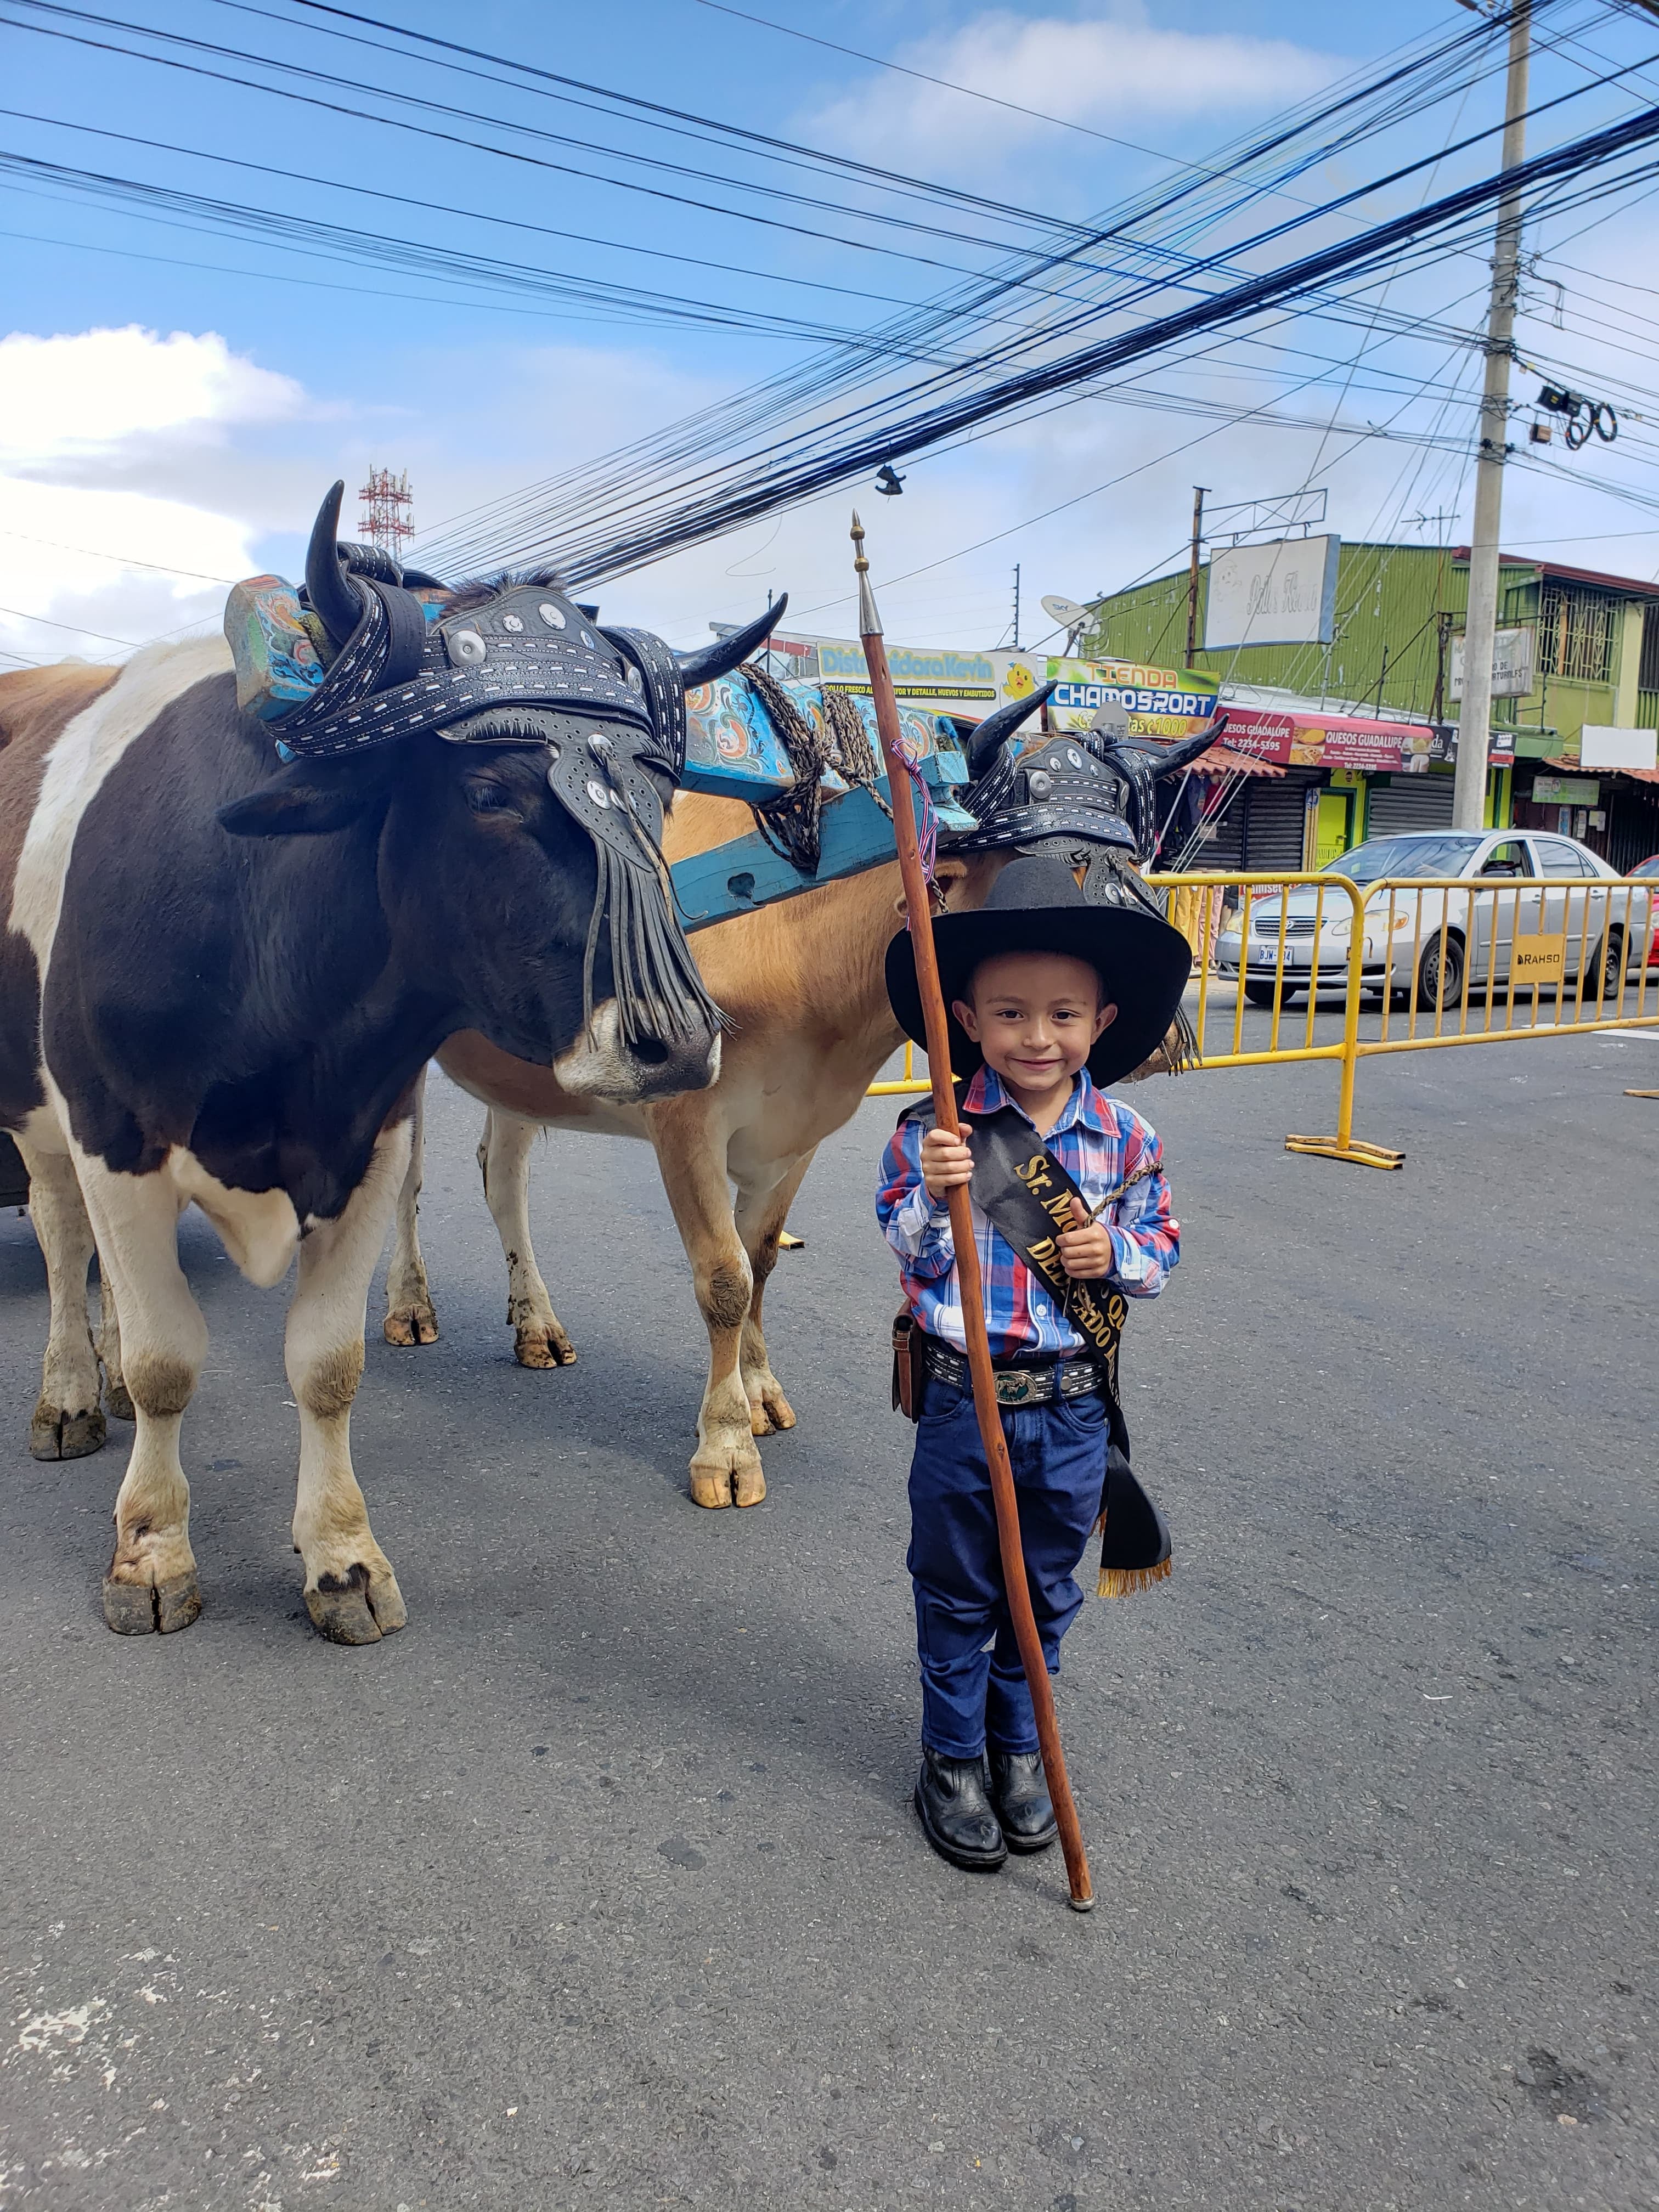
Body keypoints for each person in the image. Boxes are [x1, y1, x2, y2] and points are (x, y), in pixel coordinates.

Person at [877, 853, 1192, 1873]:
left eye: (1063, 1015)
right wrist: (939, 1192)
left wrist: (1123, 1256)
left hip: (1070, 1412)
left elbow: (1164, 1250)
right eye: (1009, 1014)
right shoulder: (934, 1131)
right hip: (966, 1406)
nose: (1037, 1037)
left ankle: (1022, 1749)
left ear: (1101, 1022)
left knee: (1043, 1593)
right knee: (958, 1589)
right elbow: (912, 1255)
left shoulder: (1127, 1138)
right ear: (966, 1018)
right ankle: (953, 1757)